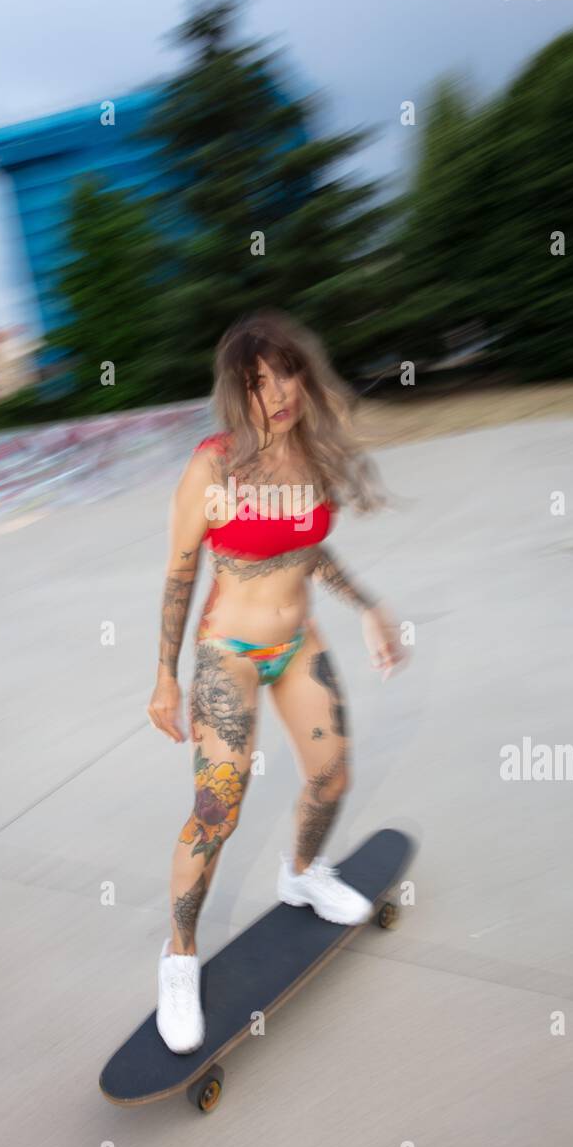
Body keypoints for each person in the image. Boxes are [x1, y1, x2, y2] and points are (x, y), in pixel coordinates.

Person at [146, 309, 408, 1052]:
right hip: (228, 651)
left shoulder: (311, 454)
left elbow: (309, 551)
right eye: (257, 383)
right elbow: (179, 572)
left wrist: (368, 606)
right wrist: (165, 677)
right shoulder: (214, 467)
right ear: (237, 393)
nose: (278, 392)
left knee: (332, 776)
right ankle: (179, 954)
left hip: (299, 644)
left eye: (286, 372)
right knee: (216, 811)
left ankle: (300, 874)